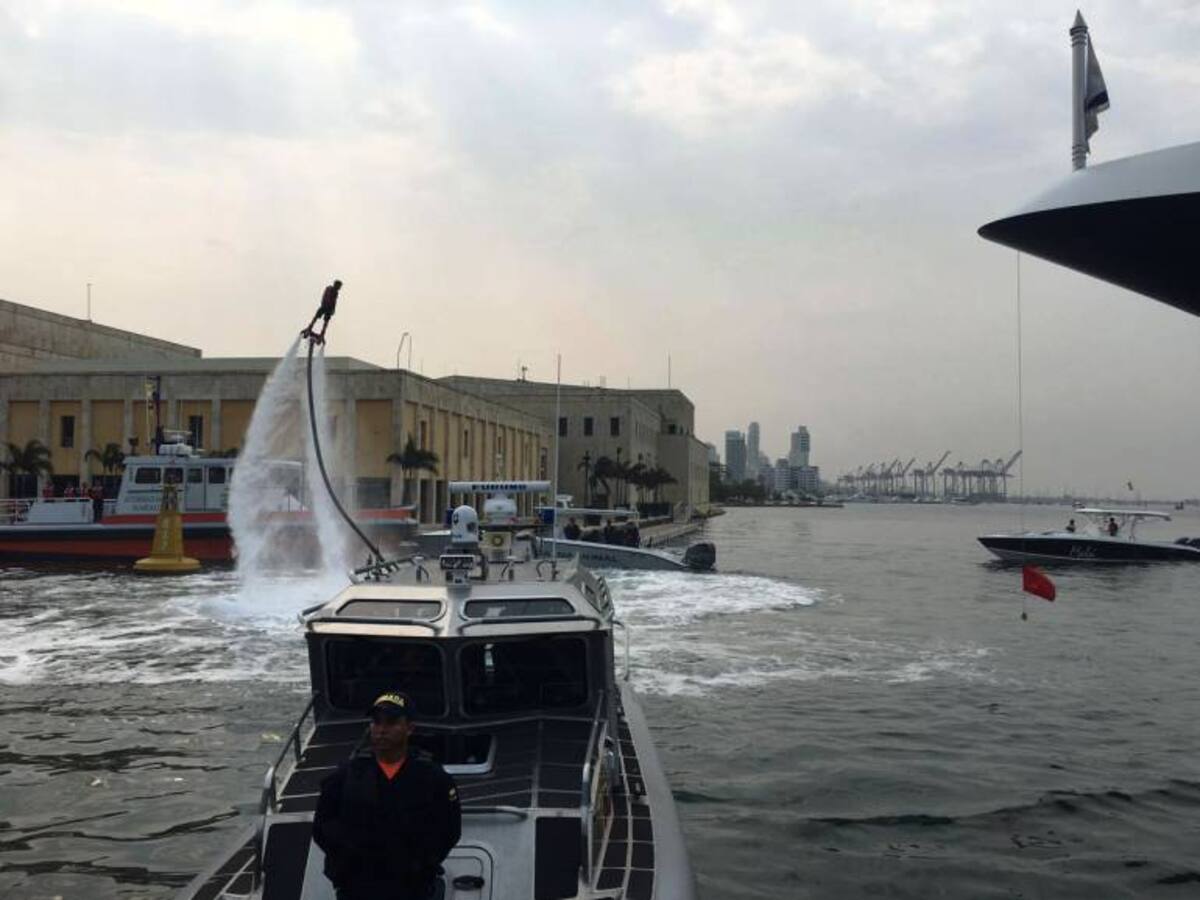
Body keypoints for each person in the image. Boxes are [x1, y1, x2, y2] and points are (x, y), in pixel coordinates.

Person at [313, 691, 461, 900]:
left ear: (409, 728)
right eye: (376, 722)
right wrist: (348, 858)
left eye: (391, 722)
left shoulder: (432, 778)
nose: (382, 730)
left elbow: (449, 830)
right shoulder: (347, 775)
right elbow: (323, 826)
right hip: (358, 886)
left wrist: (420, 863)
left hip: (411, 887)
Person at [303, 279, 343, 344]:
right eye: (340, 286)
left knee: (317, 318)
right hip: (327, 308)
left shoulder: (328, 288)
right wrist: (332, 310)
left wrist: (323, 304)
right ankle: (319, 333)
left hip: (323, 306)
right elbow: (333, 302)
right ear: (337, 285)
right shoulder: (334, 291)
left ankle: (310, 328)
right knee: (325, 322)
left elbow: (324, 296)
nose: (340, 288)